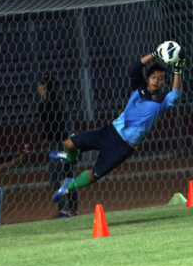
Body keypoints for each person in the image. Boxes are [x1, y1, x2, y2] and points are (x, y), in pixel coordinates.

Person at [50, 42, 185, 201]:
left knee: (94, 175)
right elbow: (134, 69)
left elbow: (176, 95)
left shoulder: (163, 101)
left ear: (165, 83)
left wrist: (178, 69)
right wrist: (155, 54)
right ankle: (72, 158)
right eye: (153, 77)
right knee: (68, 144)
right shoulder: (138, 88)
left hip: (124, 146)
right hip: (110, 131)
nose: (156, 81)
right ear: (148, 78)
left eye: (160, 79)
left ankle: (68, 186)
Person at [38, 74, 78, 219]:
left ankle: (63, 209)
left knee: (55, 177)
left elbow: (48, 130)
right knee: (69, 177)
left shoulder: (45, 106)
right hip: (71, 144)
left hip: (58, 146)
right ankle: (73, 209)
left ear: (43, 87)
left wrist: (47, 143)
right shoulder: (62, 103)